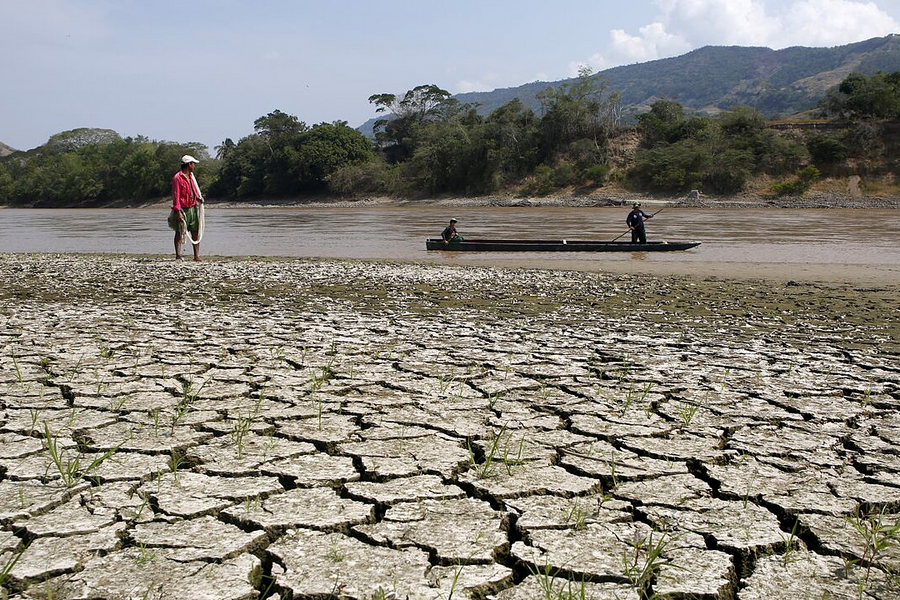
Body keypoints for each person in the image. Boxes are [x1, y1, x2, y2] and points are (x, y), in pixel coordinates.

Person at [168, 155, 204, 261]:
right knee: (179, 232)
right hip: (182, 209)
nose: (194, 166)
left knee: (195, 231)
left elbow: (193, 189)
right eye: (193, 164)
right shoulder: (177, 178)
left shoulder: (191, 177)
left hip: (192, 208)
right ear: (189, 164)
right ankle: (178, 255)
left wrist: (198, 198)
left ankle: (196, 256)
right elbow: (176, 195)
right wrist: (178, 211)